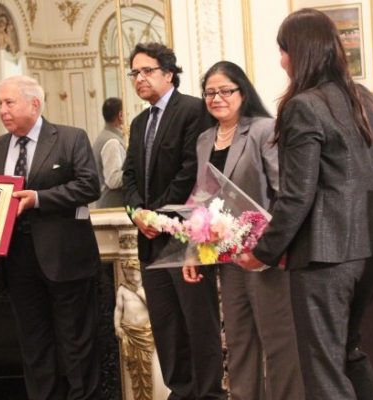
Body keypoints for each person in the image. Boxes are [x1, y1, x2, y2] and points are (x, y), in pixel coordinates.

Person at [236, 8, 373, 400]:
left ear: (299, 51)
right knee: (348, 354)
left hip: (327, 257)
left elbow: (296, 195)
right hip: (371, 250)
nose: (281, 60)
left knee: (323, 370)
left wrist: (263, 252)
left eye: (283, 50)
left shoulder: (303, 105)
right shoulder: (364, 99)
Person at [181, 61, 305, 400]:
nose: (217, 98)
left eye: (225, 90)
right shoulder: (205, 139)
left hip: (264, 254)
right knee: (237, 341)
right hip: (227, 255)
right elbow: (203, 197)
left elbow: (284, 193)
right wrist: (192, 251)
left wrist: (269, 245)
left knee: (277, 340)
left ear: (242, 92)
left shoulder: (264, 130)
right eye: (209, 92)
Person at [0, 75, 101, 400]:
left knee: (75, 345)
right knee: (34, 347)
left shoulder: (70, 138)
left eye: (9, 102)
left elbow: (90, 187)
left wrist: (39, 199)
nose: (2, 110)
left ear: (34, 103)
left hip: (65, 260)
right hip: (16, 261)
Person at [122, 42, 225, 399]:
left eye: (147, 70)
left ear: (169, 73)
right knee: (166, 327)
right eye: (135, 72)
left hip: (188, 240)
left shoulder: (194, 110)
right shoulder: (138, 123)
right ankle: (181, 392)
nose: (140, 78)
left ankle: (209, 394)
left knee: (199, 325)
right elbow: (129, 178)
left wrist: (157, 216)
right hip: (150, 242)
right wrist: (137, 213)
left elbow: (190, 173)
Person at [114, 262, 153, 400]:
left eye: (133, 273)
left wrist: (141, 293)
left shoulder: (147, 287)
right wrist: (117, 326)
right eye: (127, 274)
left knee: (147, 368)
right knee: (133, 367)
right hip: (129, 333)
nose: (130, 277)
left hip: (145, 333)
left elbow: (154, 307)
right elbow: (118, 309)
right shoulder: (123, 289)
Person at [92, 97, 126, 208]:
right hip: (112, 207)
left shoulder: (105, 136)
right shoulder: (112, 142)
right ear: (120, 115)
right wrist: (135, 173)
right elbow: (113, 180)